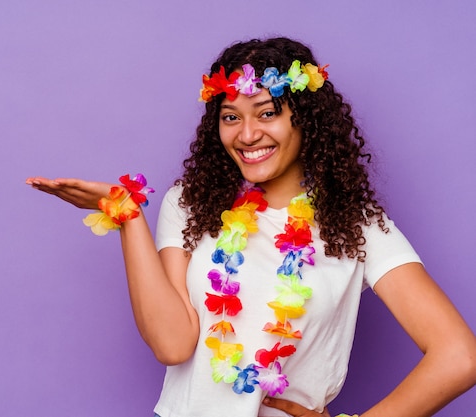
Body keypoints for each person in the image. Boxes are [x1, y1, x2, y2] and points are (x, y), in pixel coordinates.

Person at [26, 37, 476, 417]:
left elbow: (460, 357)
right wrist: (127, 218)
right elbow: (172, 345)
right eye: (230, 116)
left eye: (266, 113)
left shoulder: (355, 226)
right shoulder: (192, 203)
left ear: (307, 120)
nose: (246, 134)